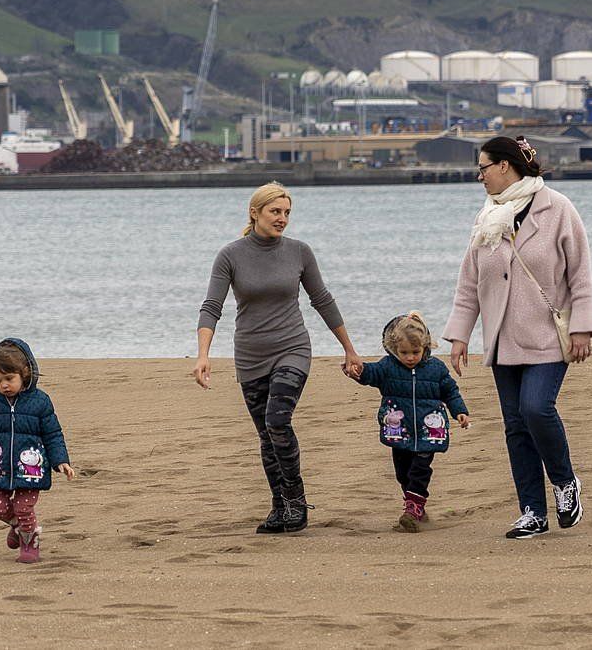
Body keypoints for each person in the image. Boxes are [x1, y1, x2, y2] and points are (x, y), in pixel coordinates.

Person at [442, 136, 592, 540]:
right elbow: (469, 284)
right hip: (501, 339)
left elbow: (579, 273)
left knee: (536, 409)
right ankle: (532, 511)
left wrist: (583, 326)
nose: (479, 176)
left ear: (506, 166)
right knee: (515, 426)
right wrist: (459, 336)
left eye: (484, 167)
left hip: (548, 336)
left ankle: (565, 483)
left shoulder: (558, 209)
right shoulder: (486, 217)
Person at [195, 182, 362, 534]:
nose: (282, 218)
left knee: (277, 420)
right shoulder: (230, 255)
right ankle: (280, 506)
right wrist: (203, 354)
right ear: (255, 212)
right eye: (276, 211)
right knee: (266, 436)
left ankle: (296, 501)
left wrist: (349, 348)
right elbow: (212, 306)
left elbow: (322, 300)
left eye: (287, 212)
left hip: (293, 349)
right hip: (251, 355)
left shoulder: (300, 252)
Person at [347, 311, 470, 532]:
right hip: (400, 431)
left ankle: (413, 509)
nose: (410, 357)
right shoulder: (387, 367)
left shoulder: (436, 369)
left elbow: (450, 392)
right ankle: (415, 505)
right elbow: (370, 374)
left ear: (425, 347)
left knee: (420, 470)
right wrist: (358, 371)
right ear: (394, 349)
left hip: (428, 432)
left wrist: (459, 411)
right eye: (404, 352)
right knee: (402, 472)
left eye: (415, 352)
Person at [0, 338, 75, 563]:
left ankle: (30, 540)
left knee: (24, 507)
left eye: (9, 379)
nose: (4, 385)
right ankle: (19, 527)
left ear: (25, 373)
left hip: (30, 469)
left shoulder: (40, 402)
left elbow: (53, 434)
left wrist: (60, 460)